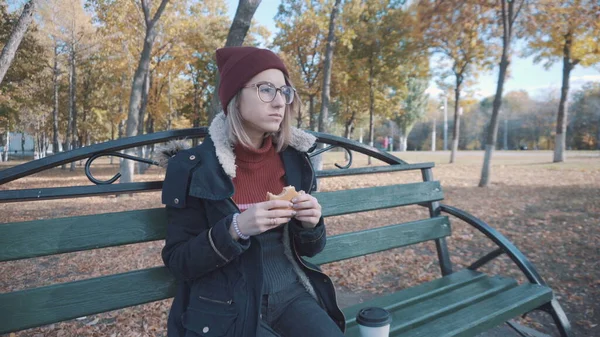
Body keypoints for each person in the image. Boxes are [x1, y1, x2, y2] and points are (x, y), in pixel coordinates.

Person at [158, 46, 345, 337]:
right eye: (266, 89)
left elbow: (311, 249)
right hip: (227, 306)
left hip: (291, 295)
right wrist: (236, 228)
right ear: (234, 97)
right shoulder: (194, 169)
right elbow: (179, 261)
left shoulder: (295, 161)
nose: (279, 102)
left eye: (284, 92)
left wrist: (311, 225)